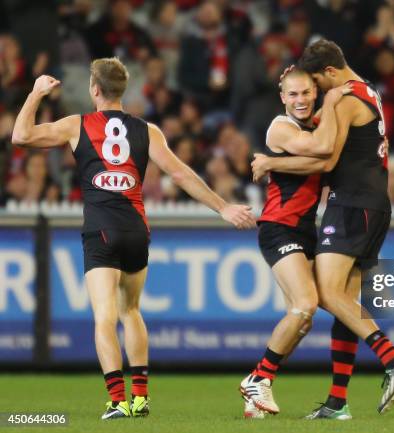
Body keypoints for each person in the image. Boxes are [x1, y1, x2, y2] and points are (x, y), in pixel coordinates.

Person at [11, 57, 256, 420]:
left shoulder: (77, 125)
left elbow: (21, 136)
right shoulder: (148, 130)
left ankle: (117, 400)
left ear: (94, 90)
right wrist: (222, 207)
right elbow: (181, 174)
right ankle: (140, 396)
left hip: (101, 228)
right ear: (122, 90)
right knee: (132, 310)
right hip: (136, 230)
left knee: (104, 317)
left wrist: (35, 94)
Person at [251, 39, 394, 417]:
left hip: (352, 204)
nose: (315, 93)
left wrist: (269, 163)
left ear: (329, 73)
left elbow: (325, 155)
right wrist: (297, 88)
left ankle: (393, 358)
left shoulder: (341, 99)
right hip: (374, 204)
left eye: (315, 84)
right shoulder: (368, 91)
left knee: (326, 294)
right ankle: (337, 401)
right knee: (347, 303)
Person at [240, 67, 350, 418]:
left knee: (302, 320)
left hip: (305, 230)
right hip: (278, 227)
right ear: (282, 97)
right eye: (293, 94)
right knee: (305, 303)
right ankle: (259, 378)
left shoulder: (317, 123)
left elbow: (328, 156)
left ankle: (255, 392)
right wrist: (334, 101)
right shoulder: (281, 127)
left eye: (306, 93)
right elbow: (321, 149)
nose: (300, 100)